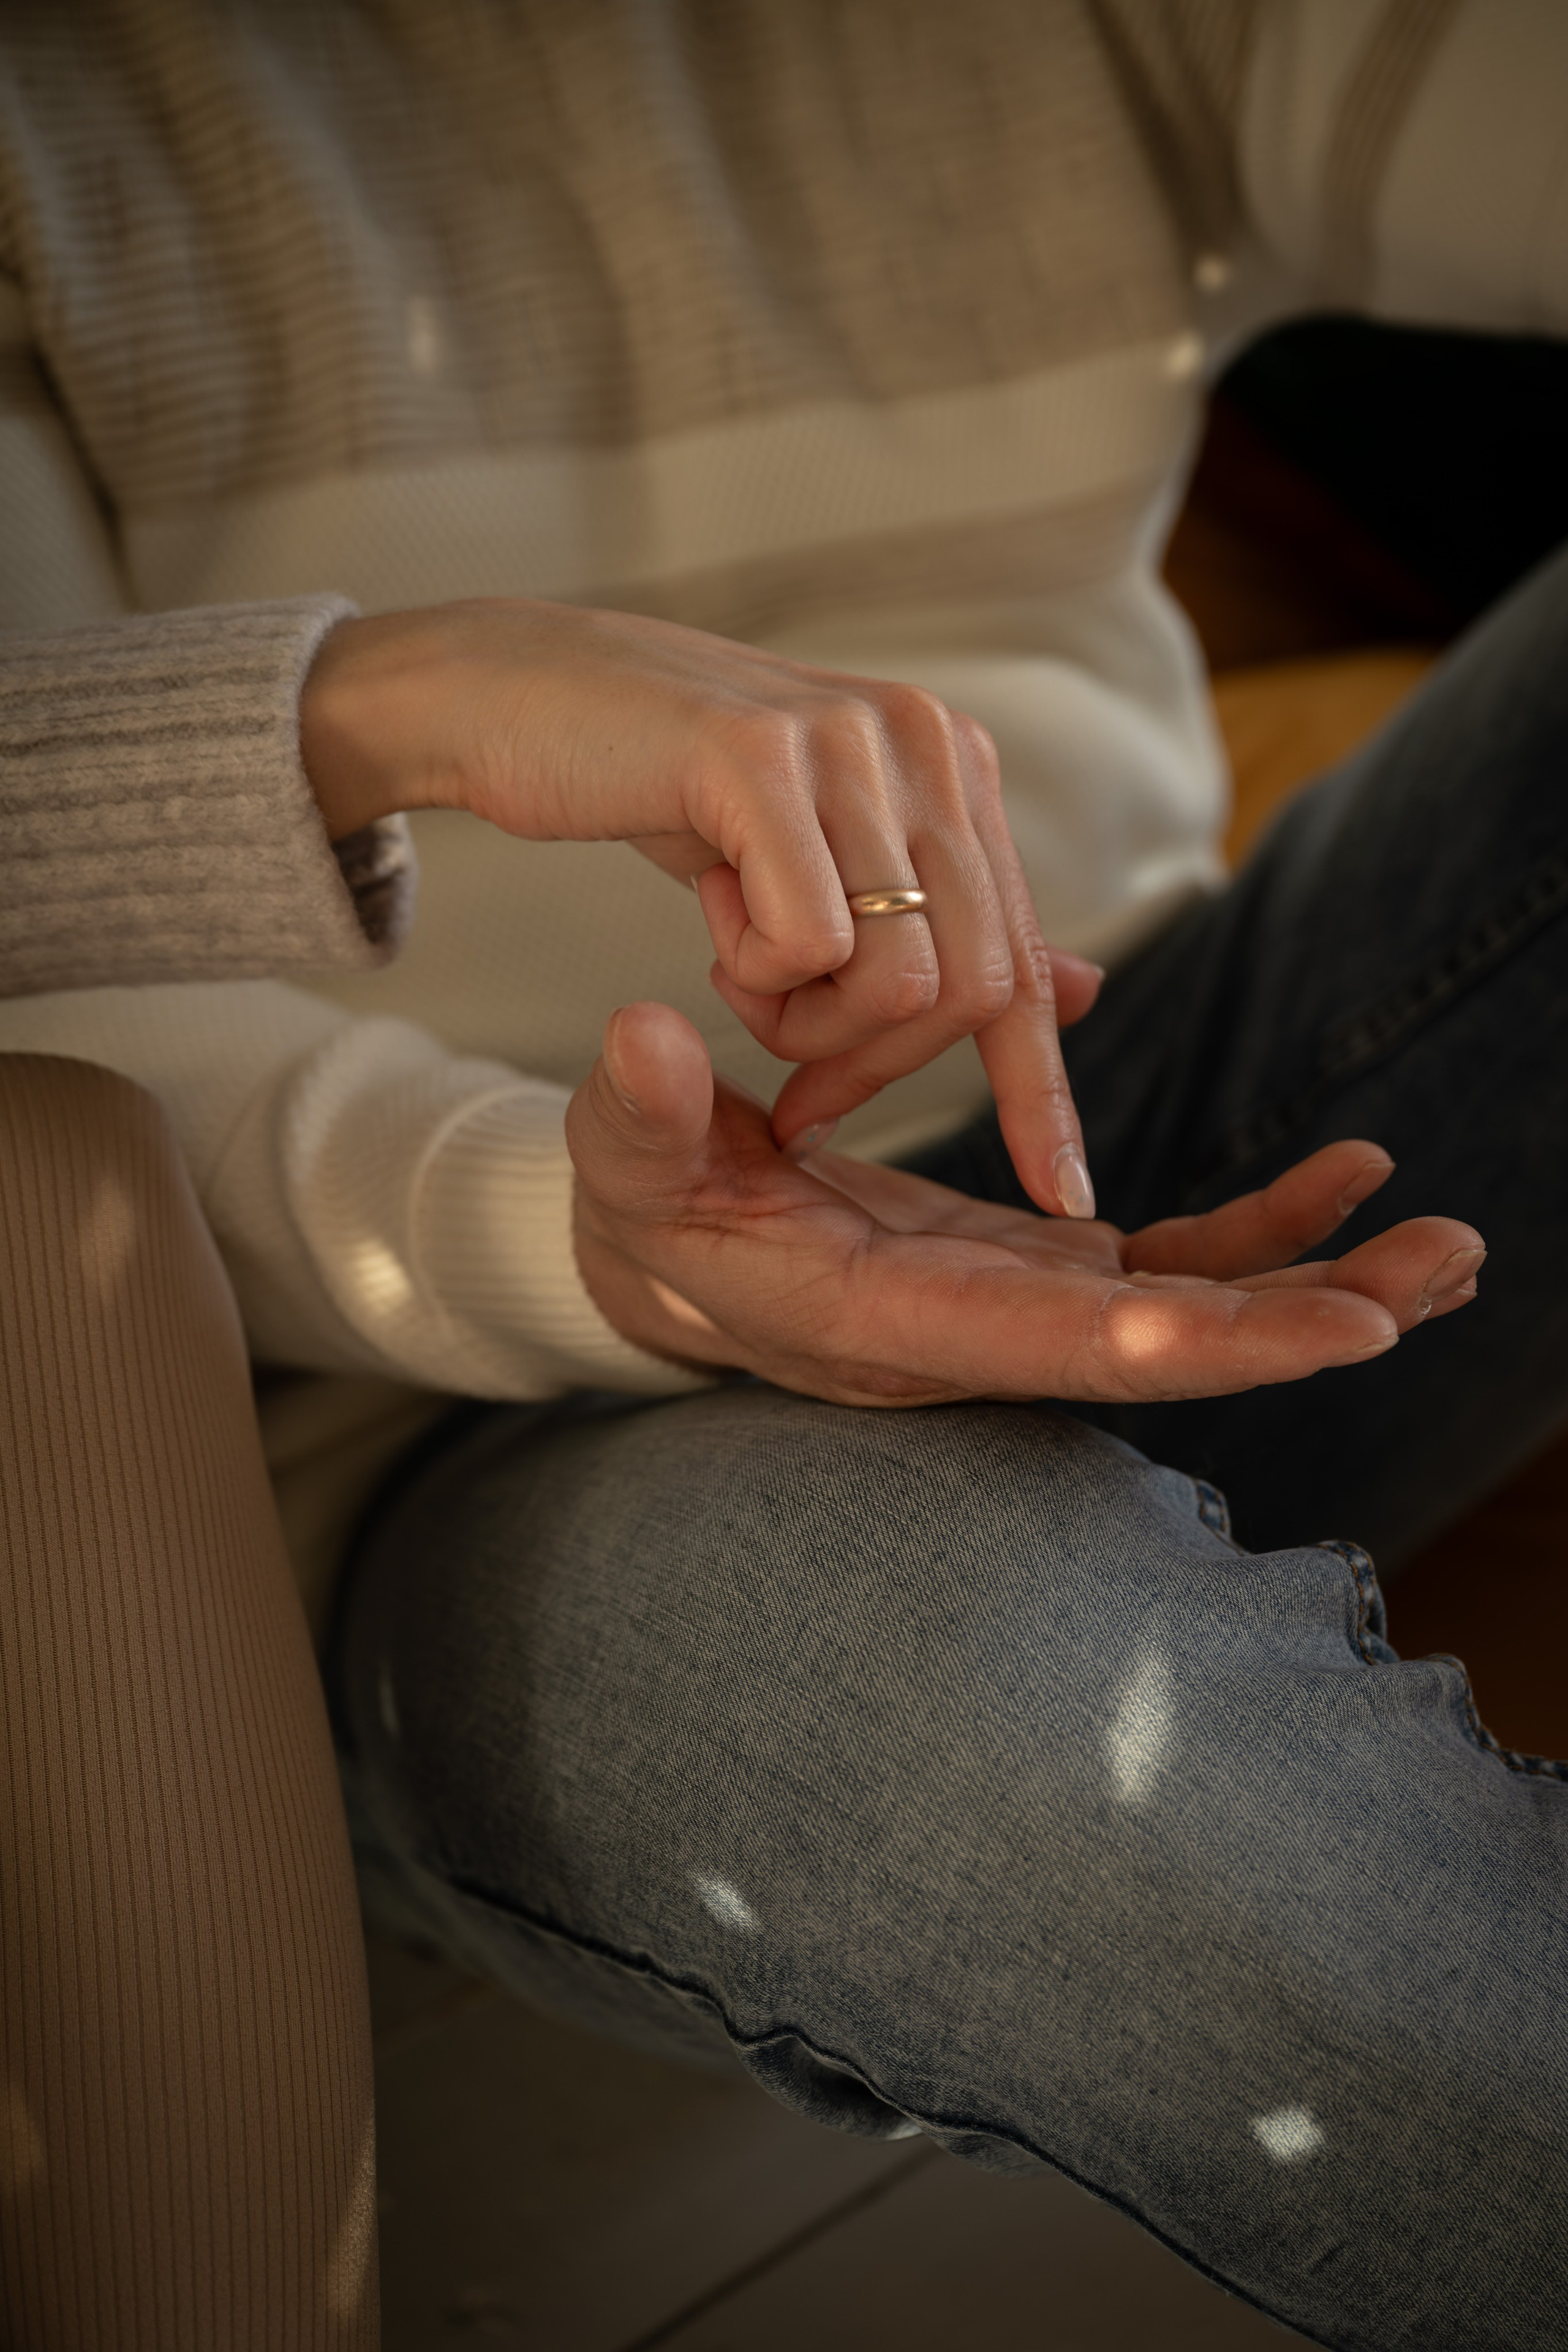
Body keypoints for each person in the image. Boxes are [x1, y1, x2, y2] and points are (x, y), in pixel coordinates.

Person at [2, 5, 1566, 2345]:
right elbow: (58, 1026)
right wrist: (611, 1250)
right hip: (442, 1411)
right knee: (982, 1733)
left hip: (1163, 1127)